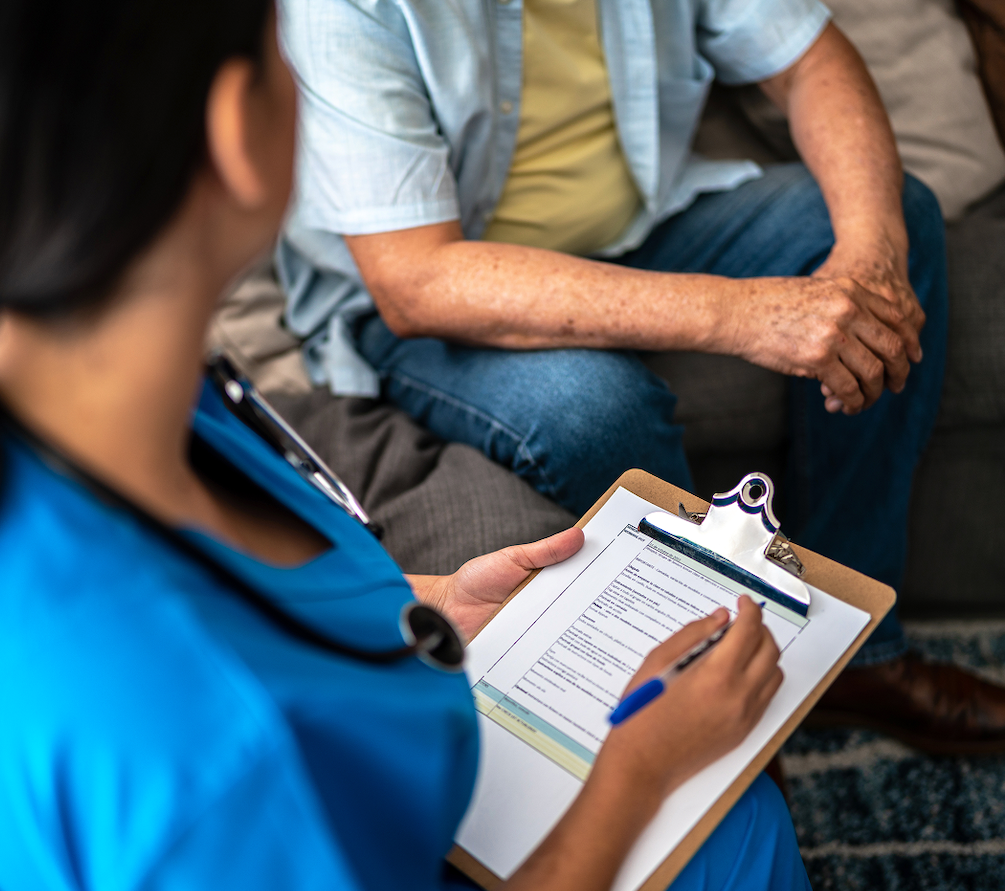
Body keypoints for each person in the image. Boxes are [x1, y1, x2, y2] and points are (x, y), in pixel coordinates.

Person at [0, 0, 811, 891]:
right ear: (236, 125)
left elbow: (222, 593)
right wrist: (637, 771)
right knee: (736, 824)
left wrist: (427, 603)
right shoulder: (223, 757)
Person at [274, 0, 1005, 751]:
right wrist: (747, 314)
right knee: (594, 408)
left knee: (899, 215)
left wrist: (869, 259)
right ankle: (715, 708)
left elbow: (811, 61)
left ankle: (853, 659)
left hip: (641, 228)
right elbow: (416, 282)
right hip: (437, 295)